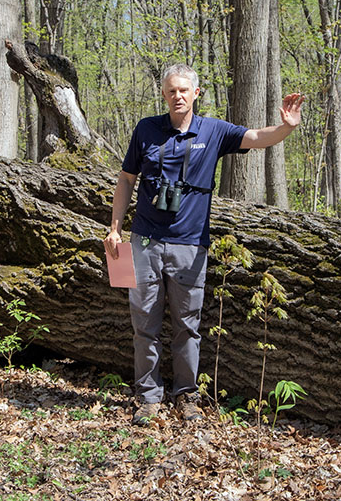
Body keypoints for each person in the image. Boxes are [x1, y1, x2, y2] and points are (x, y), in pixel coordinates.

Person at [103, 64, 304, 425]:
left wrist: (287, 128)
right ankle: (148, 397)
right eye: (170, 91)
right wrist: (115, 227)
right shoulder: (146, 129)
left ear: (196, 93)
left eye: (183, 90)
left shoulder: (213, 130)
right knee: (144, 325)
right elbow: (126, 179)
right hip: (145, 240)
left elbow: (257, 137)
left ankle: (186, 395)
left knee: (187, 326)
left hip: (191, 245)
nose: (176, 96)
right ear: (163, 94)